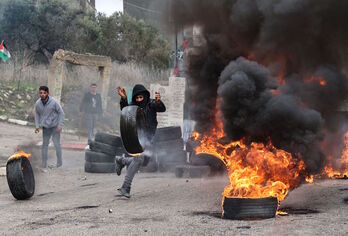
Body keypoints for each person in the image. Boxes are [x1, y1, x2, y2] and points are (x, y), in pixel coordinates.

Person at [115, 84, 166, 198]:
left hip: (149, 138)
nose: (138, 100)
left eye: (140, 98)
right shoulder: (133, 107)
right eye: (136, 98)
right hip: (138, 138)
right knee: (139, 159)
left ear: (145, 96)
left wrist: (158, 102)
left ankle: (122, 161)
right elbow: (125, 111)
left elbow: (162, 108)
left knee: (144, 162)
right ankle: (125, 187)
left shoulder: (151, 104)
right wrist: (123, 99)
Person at [34, 86, 65, 172]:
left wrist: (60, 125)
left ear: (47, 93)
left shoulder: (54, 102)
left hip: (55, 126)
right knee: (45, 145)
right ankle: (44, 163)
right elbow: (36, 114)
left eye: (44, 93)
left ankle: (59, 162)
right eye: (41, 93)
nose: (42, 94)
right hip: (46, 127)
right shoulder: (38, 103)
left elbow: (61, 113)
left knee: (56, 144)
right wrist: (37, 126)